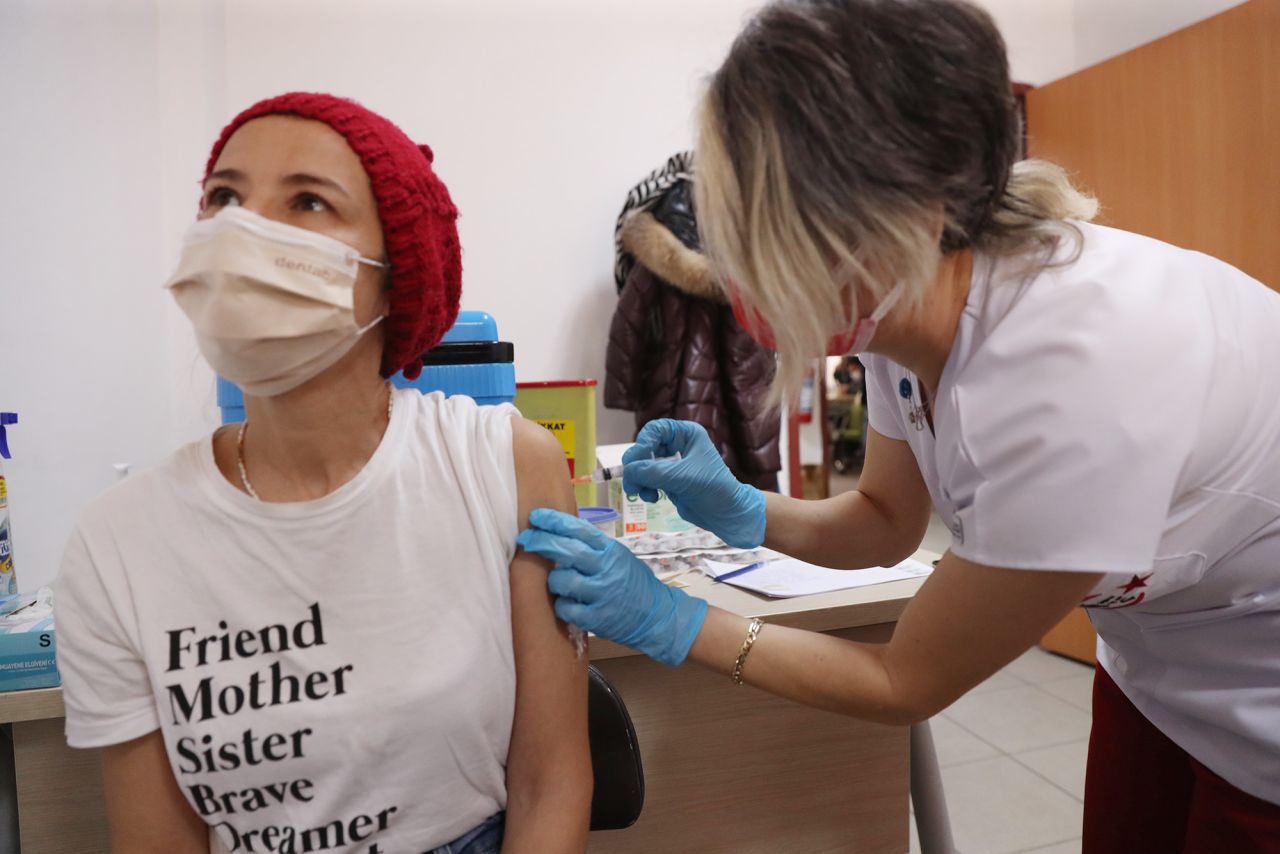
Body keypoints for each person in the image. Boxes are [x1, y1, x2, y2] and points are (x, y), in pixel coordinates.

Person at [516, 1, 1280, 851]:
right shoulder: (901, 303)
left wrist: (673, 621)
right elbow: (882, 522)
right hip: (1160, 656)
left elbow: (902, 680)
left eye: (778, 223)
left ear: (915, 205)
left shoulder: (1077, 373)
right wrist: (740, 508)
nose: (742, 266)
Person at [54, 93, 591, 854]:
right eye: (224, 198)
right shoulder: (118, 542)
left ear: (392, 273)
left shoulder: (505, 464)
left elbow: (551, 784)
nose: (247, 229)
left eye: (307, 201)